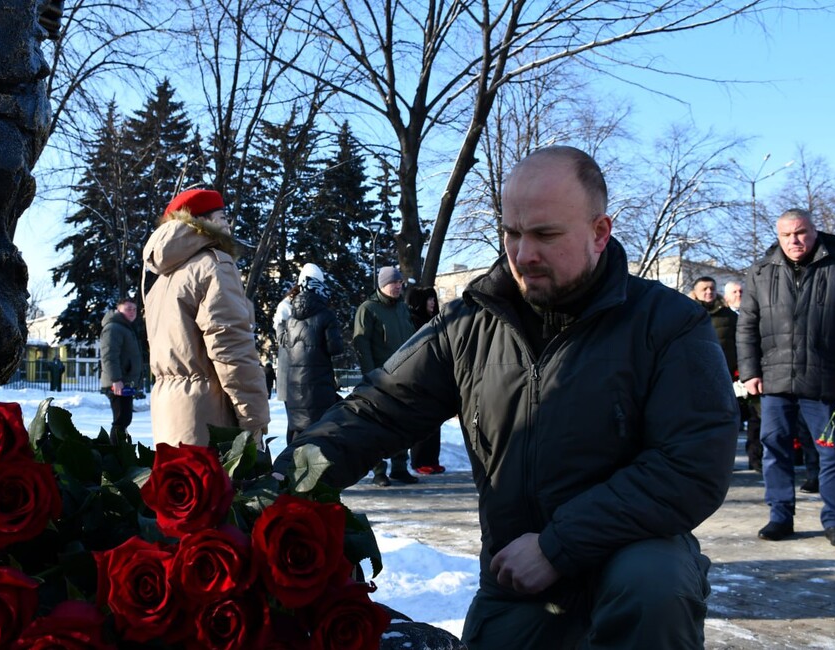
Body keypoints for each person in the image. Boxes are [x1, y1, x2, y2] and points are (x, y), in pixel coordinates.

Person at [274, 145, 737, 648]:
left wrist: (558, 546)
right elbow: (377, 409)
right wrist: (274, 485)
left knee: (654, 585)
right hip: (517, 578)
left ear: (600, 232)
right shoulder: (469, 324)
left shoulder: (668, 324)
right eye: (512, 233)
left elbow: (691, 463)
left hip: (626, 566)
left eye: (545, 235)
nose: (523, 254)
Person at [736, 208, 835, 547]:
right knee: (775, 449)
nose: (794, 240)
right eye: (786, 235)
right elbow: (747, 324)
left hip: (825, 379)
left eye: (800, 232)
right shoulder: (761, 272)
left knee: (833, 453)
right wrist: (750, 371)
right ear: (778, 236)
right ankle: (780, 516)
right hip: (774, 379)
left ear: (814, 231)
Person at [142, 188, 270, 449]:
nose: (228, 226)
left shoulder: (161, 282)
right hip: (211, 415)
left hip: (168, 413)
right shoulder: (214, 265)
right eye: (222, 218)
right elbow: (231, 348)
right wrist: (254, 418)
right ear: (201, 222)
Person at [353, 266, 419, 486]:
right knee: (378, 425)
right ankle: (378, 470)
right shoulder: (368, 309)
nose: (398, 286)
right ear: (382, 285)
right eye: (394, 283)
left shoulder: (402, 308)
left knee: (402, 424)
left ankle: (400, 467)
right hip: (380, 378)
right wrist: (370, 375)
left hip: (404, 376)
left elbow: (412, 339)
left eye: (400, 282)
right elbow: (361, 343)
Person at [280, 263, 344, 444]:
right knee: (322, 434)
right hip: (319, 385)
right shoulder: (326, 315)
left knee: (298, 434)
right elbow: (335, 348)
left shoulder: (290, 318)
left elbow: (285, 345)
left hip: (294, 387)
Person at [723, 279, 764, 471]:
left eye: (741, 291)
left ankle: (755, 460)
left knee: (756, 420)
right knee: (730, 420)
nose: (739, 295)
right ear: (726, 297)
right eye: (734, 292)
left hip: (753, 375)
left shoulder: (755, 314)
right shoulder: (723, 318)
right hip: (730, 376)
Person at [405, 285, 444, 474]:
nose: (433, 303)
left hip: (436, 375)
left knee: (435, 420)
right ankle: (419, 460)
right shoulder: (413, 321)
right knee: (421, 419)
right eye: (429, 299)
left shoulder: (435, 321)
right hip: (420, 376)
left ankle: (432, 458)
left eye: (434, 299)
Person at [99, 298, 143, 445]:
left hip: (125, 382)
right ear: (118, 310)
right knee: (121, 419)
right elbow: (109, 355)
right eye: (128, 308)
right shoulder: (114, 328)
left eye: (134, 309)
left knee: (124, 419)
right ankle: (116, 451)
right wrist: (116, 379)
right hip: (118, 383)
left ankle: (120, 449)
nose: (132, 312)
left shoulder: (126, 328)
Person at [689, 276, 738, 380]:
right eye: (704, 289)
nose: (709, 291)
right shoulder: (687, 315)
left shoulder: (729, 315)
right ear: (695, 292)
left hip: (726, 372)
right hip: (694, 373)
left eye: (712, 288)